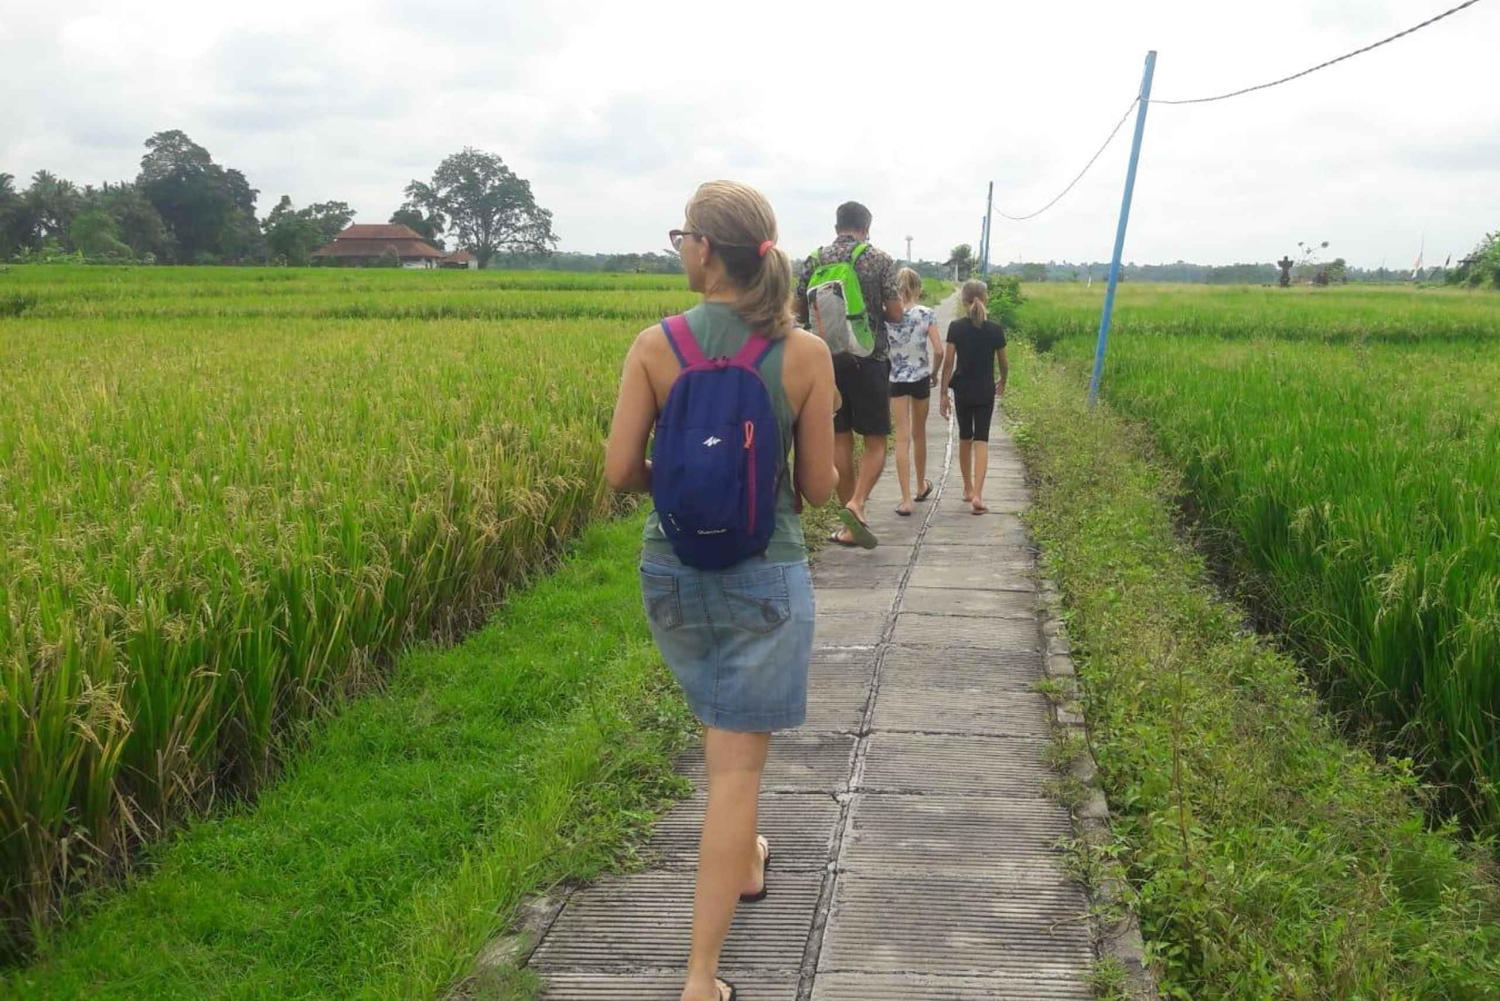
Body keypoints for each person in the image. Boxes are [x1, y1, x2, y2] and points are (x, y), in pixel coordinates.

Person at [605, 180, 838, 1001]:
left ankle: (745, 861)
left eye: (682, 237)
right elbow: (817, 488)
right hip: (764, 575)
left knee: (718, 727)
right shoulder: (804, 352)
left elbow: (618, 471)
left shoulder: (654, 344)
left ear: (705, 250)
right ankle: (700, 979)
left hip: (669, 571)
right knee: (735, 772)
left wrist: (684, 474)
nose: (679, 249)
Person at [794, 201, 903, 548]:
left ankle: (850, 522)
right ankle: (857, 504)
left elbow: (797, 309)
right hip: (870, 357)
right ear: (866, 227)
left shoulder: (815, 259)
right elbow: (896, 313)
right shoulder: (880, 260)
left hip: (827, 359)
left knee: (840, 438)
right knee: (874, 440)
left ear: (837, 224)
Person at [939, 279, 1009, 514]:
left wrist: (943, 395)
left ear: (963, 300)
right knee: (982, 440)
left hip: (962, 390)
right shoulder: (996, 329)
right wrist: (1003, 380)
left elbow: (948, 363)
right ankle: (978, 494)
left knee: (965, 438)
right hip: (984, 390)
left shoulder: (956, 327)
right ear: (986, 299)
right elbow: (1004, 363)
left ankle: (968, 488)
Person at [886, 267, 943, 516]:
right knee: (919, 434)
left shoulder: (888, 314)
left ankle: (906, 499)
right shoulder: (926, 314)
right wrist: (935, 373)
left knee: (901, 438)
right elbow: (939, 351)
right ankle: (921, 486)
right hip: (920, 377)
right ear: (918, 288)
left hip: (896, 379)